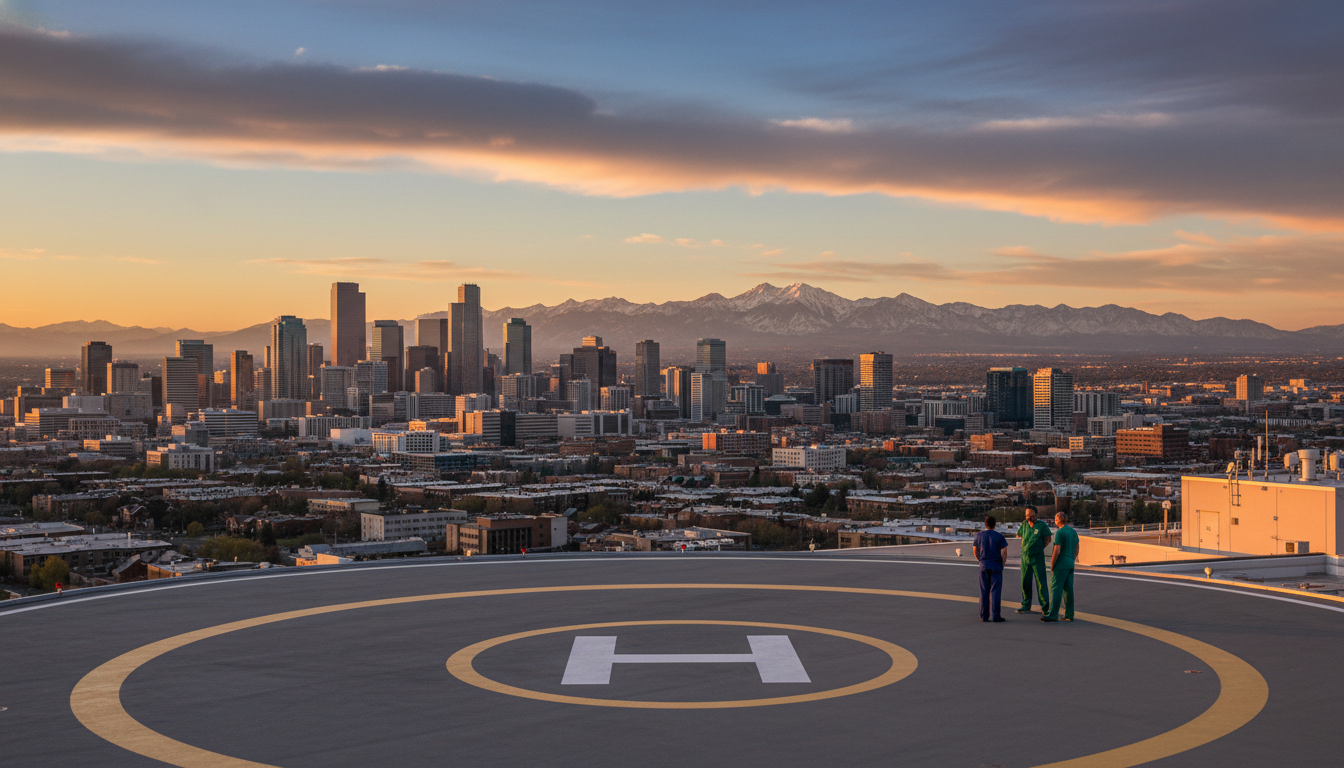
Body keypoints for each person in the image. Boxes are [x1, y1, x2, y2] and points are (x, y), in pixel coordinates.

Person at [1042, 512, 1079, 623]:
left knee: (1056, 588)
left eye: (1055, 519)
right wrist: (1072, 558)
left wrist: (1052, 563)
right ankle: (1069, 614)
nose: (1055, 521)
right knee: (1068, 589)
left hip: (1061, 563)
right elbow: (1077, 547)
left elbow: (1057, 549)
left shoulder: (1060, 532)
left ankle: (1053, 614)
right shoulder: (1073, 532)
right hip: (1070, 562)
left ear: (1058, 520)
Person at [1015, 507, 1052, 615]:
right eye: (1027, 515)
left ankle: (1045, 607)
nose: (1028, 517)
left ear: (1036, 514)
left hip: (1037, 558)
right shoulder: (1024, 525)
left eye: (1030, 515)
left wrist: (1039, 547)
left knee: (1041, 582)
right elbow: (1019, 535)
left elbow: (1048, 539)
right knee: (1025, 582)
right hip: (1025, 558)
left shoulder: (1042, 525)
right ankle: (1026, 604)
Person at [973, 515, 1009, 622]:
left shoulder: (979, 536)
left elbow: (975, 550)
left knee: (984, 590)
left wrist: (980, 560)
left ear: (985, 523)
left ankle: (983, 615)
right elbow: (1004, 552)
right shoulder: (999, 536)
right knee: (995, 591)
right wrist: (1002, 564)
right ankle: (996, 615)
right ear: (995, 524)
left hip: (984, 565)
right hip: (996, 565)